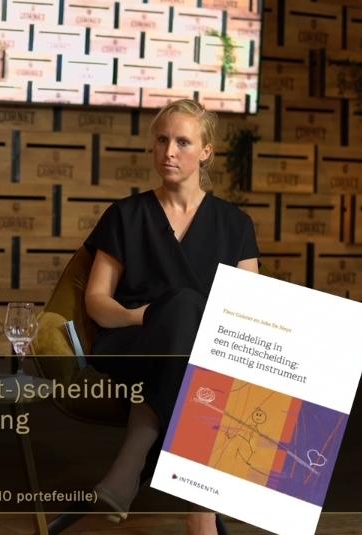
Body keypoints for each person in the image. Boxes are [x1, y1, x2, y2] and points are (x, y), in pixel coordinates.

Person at [84, 99, 259, 534]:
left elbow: (249, 314)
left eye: (183, 142)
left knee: (191, 322)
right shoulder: (125, 215)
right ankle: (201, 513)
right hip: (134, 344)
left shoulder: (235, 224)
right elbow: (96, 301)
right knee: (182, 306)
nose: (169, 151)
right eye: (162, 140)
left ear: (206, 152)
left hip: (207, 357)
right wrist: (147, 318)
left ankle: (133, 457)